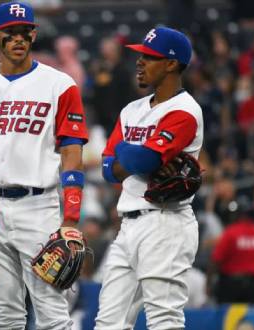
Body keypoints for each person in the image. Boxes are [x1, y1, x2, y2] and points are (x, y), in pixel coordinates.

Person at [0, 2, 88, 329]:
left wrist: (71, 216)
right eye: (9, 33)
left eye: (24, 32)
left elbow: (72, 150)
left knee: (52, 311)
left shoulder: (59, 84)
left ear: (33, 34)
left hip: (38, 205)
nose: (18, 39)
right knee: (5, 313)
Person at [96, 27, 203, 329]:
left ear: (171, 64)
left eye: (149, 57)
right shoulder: (131, 109)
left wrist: (127, 153)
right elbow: (108, 168)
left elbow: (142, 159)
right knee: (108, 323)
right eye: (140, 56)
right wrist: (131, 156)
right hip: (128, 224)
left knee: (163, 320)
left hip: (165, 223)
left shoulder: (185, 111)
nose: (140, 63)